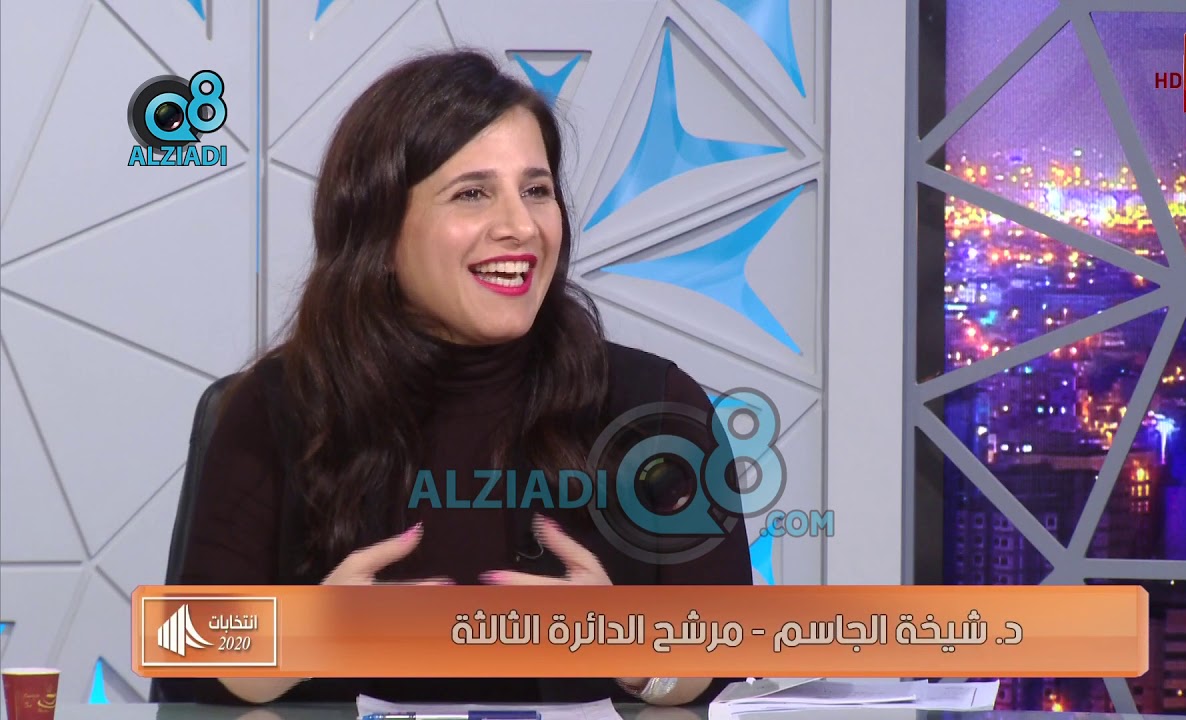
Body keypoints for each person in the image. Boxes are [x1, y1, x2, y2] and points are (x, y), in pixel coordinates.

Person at [156, 49, 753, 707]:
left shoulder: (654, 407)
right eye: (472, 193)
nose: (520, 227)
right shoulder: (279, 406)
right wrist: (310, 634)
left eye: (536, 190)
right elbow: (191, 658)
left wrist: (630, 648)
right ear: (380, 230)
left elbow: (727, 660)